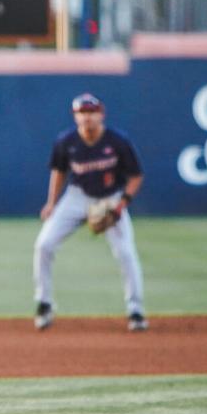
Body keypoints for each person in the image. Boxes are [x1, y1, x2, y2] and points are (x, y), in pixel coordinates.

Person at [33, 92, 148, 332]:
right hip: (77, 197)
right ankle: (44, 303)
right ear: (75, 117)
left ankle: (135, 310)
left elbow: (135, 176)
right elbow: (59, 171)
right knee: (44, 244)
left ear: (101, 114)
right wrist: (52, 202)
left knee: (126, 252)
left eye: (91, 112)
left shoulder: (118, 141)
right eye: (82, 113)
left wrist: (120, 205)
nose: (87, 117)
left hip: (110, 198)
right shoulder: (66, 141)